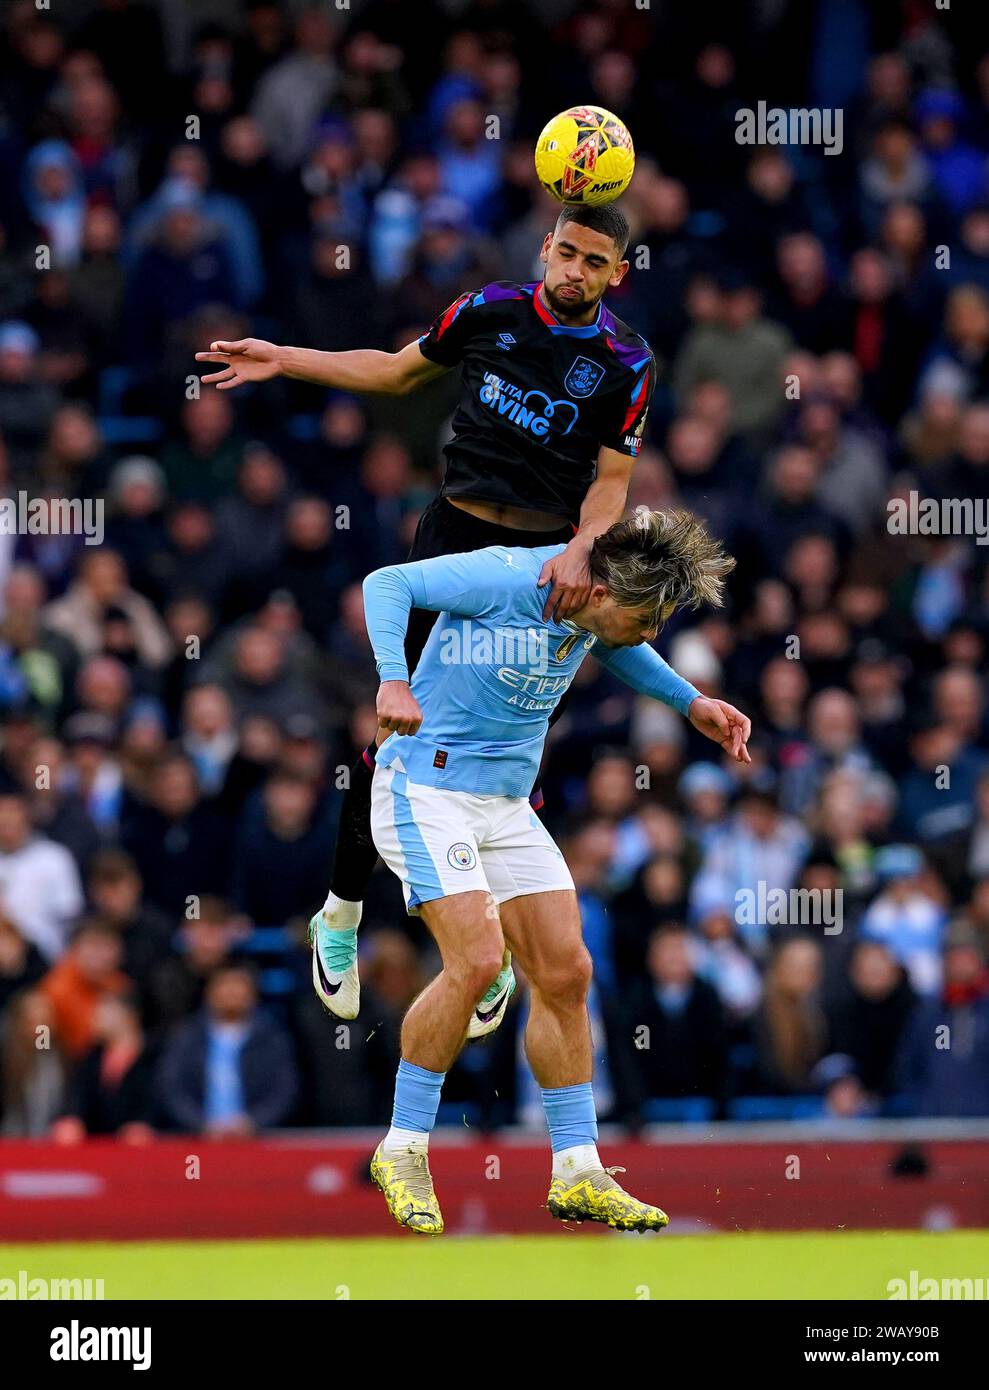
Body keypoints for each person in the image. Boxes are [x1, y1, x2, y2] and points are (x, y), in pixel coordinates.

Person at [197, 201, 657, 1030]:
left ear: (617, 273)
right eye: (566, 252)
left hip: (546, 560)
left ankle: (481, 952)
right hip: (453, 535)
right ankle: (339, 913)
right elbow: (393, 370)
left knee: (508, 746)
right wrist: (285, 360)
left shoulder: (626, 359)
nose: (574, 272)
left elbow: (613, 481)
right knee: (392, 730)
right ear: (544, 247)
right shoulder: (488, 310)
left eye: (594, 262)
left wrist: (586, 546)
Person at [359, 508, 751, 1233]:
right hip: (425, 787)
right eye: (645, 618)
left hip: (505, 806)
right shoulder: (510, 575)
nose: (651, 634)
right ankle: (403, 1147)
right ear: (603, 593)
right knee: (476, 961)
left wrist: (687, 700)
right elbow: (387, 583)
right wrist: (392, 681)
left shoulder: (594, 611)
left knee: (567, 972)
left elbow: (616, 644)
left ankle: (577, 1168)